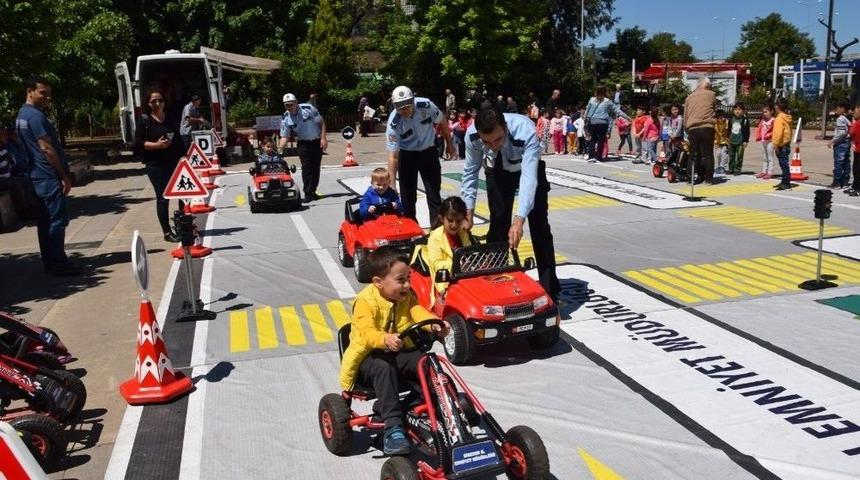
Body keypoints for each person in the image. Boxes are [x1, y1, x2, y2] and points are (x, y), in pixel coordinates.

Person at [338, 246, 449, 455]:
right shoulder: (365, 302)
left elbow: (416, 311)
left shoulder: (405, 297)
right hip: (367, 358)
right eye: (401, 280)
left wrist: (433, 323)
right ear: (378, 283)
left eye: (408, 278)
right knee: (383, 366)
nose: (407, 285)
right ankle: (393, 427)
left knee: (425, 361)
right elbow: (366, 333)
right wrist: (385, 339)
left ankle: (443, 405)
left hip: (395, 350)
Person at [461, 102, 560, 301]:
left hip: (527, 168)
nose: (493, 145)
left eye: (497, 139)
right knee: (498, 223)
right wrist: (468, 210)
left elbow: (529, 178)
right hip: (497, 169)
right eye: (487, 142)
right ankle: (496, 281)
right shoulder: (472, 135)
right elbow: (470, 172)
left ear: (505, 127)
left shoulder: (526, 130)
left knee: (540, 226)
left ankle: (551, 289)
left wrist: (519, 219)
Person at [15, 77, 80, 276]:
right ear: (30, 91)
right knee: (56, 221)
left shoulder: (21, 115)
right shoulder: (35, 117)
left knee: (45, 222)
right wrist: (63, 175)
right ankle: (58, 263)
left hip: (35, 175)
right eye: (43, 93)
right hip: (47, 175)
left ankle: (50, 261)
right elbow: (47, 148)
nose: (47, 98)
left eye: (49, 94)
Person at [386, 86, 455, 224]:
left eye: (407, 105)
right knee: (408, 197)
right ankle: (411, 230)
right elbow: (393, 156)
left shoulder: (426, 106)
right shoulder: (393, 124)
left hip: (428, 153)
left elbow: (442, 122)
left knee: (434, 193)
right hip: (407, 156)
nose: (404, 110)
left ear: (413, 101)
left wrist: (449, 144)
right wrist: (392, 183)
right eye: (399, 107)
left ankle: (436, 230)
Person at [136, 89, 185, 242]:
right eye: (154, 101)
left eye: (160, 100)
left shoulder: (170, 118)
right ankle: (166, 232)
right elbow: (139, 143)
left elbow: (177, 138)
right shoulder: (144, 120)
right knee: (163, 197)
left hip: (174, 161)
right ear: (148, 104)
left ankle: (182, 223)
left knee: (181, 193)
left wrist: (184, 157)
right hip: (155, 165)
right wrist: (157, 145)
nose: (158, 103)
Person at [279, 92, 328, 203]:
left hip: (316, 141)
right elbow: (284, 136)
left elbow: (321, 122)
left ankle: (313, 191)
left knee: (316, 167)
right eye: (286, 105)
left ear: (296, 102)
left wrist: (323, 138)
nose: (289, 107)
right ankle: (307, 193)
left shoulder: (308, 108)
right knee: (306, 168)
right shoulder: (286, 117)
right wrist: (279, 148)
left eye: (291, 104)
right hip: (303, 143)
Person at [425, 196, 472, 305]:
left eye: (459, 221)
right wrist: (458, 265)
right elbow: (436, 264)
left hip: (464, 276)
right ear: (442, 218)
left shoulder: (463, 234)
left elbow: (468, 252)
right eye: (450, 220)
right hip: (444, 280)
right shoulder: (435, 237)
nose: (454, 225)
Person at [584, 86, 630, 163]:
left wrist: (585, 121)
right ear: (605, 92)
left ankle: (591, 156)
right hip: (603, 123)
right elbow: (617, 110)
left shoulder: (591, 100)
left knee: (592, 140)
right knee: (601, 140)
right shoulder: (607, 101)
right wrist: (627, 117)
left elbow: (587, 111)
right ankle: (598, 157)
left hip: (592, 122)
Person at [684, 77, 717, 184]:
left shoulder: (689, 97)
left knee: (693, 154)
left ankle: (690, 178)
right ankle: (708, 179)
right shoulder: (711, 94)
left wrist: (687, 128)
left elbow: (686, 115)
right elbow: (714, 109)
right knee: (708, 154)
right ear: (707, 85)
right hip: (707, 126)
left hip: (693, 128)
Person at [771, 98, 794, 190]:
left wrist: (775, 144)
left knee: (784, 164)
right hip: (786, 144)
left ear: (777, 107)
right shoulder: (788, 117)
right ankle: (784, 181)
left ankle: (786, 182)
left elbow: (778, 133)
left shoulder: (779, 119)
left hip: (781, 145)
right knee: (784, 164)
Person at [828, 102, 852, 189]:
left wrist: (832, 141)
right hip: (847, 142)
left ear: (842, 108)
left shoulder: (841, 119)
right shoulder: (849, 118)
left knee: (838, 163)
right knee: (846, 162)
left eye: (837, 108)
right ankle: (845, 182)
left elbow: (842, 133)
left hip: (841, 143)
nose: (836, 110)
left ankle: (837, 182)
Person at [728, 103, 751, 176]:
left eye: (739, 110)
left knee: (739, 156)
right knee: (731, 156)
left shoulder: (744, 120)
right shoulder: (731, 119)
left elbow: (747, 131)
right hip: (731, 141)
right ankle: (731, 168)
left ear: (743, 111)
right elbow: (729, 129)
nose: (737, 111)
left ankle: (737, 169)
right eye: (735, 110)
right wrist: (727, 138)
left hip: (740, 142)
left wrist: (745, 141)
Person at [756, 105, 776, 180]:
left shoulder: (774, 120)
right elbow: (760, 129)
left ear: (772, 111)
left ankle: (770, 172)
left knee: (770, 157)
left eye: (766, 112)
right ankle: (764, 171)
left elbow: (775, 131)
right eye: (763, 112)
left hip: (770, 141)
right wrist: (759, 136)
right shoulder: (763, 120)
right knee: (764, 157)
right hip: (763, 140)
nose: (764, 113)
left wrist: (770, 135)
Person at [846, 105, 860, 196]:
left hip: (858, 150)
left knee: (857, 170)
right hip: (857, 150)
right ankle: (855, 186)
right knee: (856, 169)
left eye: (855, 111)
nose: (853, 113)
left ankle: (858, 188)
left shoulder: (857, 124)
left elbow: (851, 133)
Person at [714, 110, 729, 175]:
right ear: (717, 118)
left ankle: (723, 167)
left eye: (724, 117)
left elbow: (728, 132)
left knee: (724, 154)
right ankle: (719, 166)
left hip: (725, 141)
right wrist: (715, 142)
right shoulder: (715, 124)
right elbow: (714, 133)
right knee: (718, 154)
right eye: (720, 117)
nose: (723, 118)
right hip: (718, 141)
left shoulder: (726, 123)